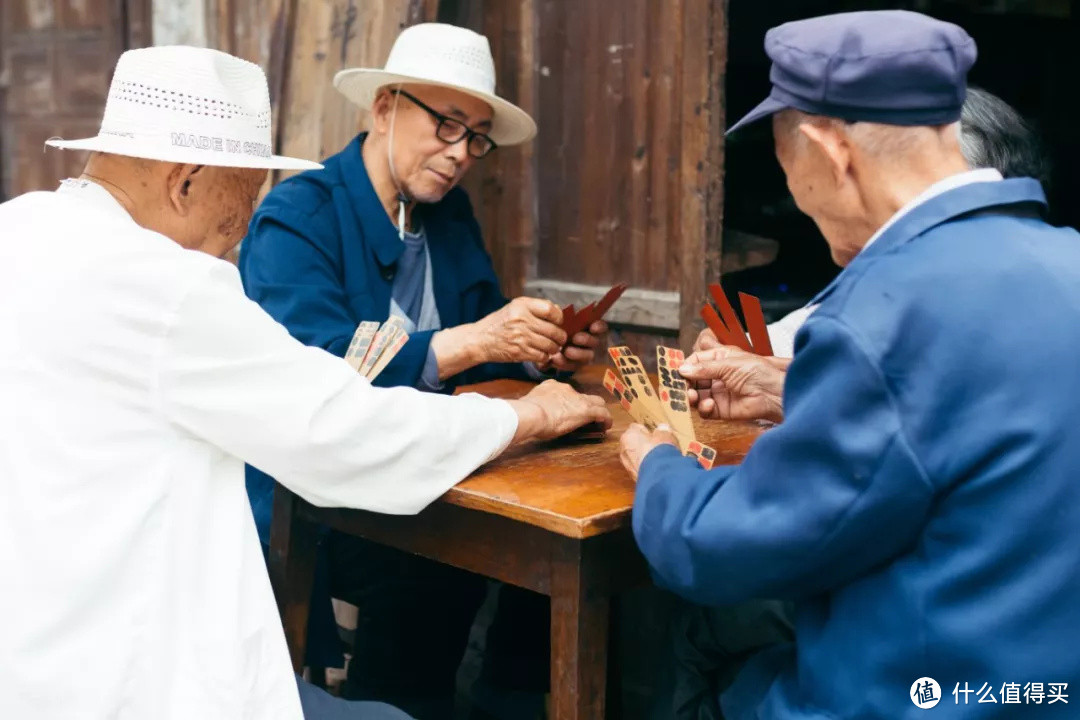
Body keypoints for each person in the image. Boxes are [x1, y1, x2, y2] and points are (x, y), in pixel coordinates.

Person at [0, 45, 610, 720]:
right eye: (242, 196)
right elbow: (341, 426)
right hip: (127, 675)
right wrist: (528, 418)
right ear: (185, 181)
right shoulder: (176, 285)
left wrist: (527, 356)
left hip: (35, 645)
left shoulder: (19, 231)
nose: (238, 231)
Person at [620, 10, 1080, 719]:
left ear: (826, 150)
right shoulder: (1065, 261)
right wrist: (790, 391)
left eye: (780, 159)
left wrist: (655, 464)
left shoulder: (884, 311)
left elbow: (721, 548)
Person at [239, 24, 597, 716]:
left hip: (434, 464)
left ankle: (510, 704)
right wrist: (467, 343)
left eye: (477, 138)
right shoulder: (298, 215)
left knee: (551, 557)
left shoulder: (446, 212)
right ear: (383, 109)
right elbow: (320, 368)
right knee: (429, 574)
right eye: (447, 126)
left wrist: (536, 345)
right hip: (325, 489)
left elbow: (484, 322)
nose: (460, 154)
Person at [685, 86, 1055, 426]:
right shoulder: (917, 276)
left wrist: (660, 468)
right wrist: (756, 359)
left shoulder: (951, 287)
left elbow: (908, 430)